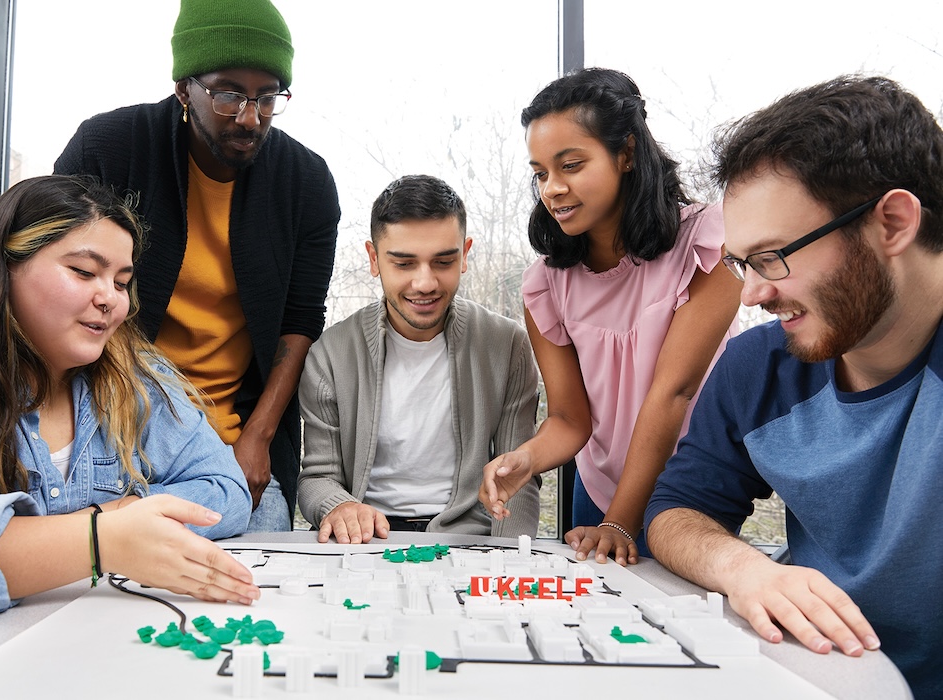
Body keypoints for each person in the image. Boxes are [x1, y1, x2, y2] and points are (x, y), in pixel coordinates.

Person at [0, 175, 260, 624]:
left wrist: (115, 518)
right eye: (83, 272)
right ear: (4, 266)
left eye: (122, 282)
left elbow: (226, 489)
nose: (110, 300)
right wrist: (99, 539)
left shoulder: (134, 377)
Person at [645, 75, 943, 699]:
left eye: (774, 256)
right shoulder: (759, 367)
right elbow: (675, 511)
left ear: (892, 222)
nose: (753, 294)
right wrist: (741, 568)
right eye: (742, 263)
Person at [54, 0, 340, 532]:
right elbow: (50, 280)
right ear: (185, 88)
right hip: (108, 438)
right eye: (228, 94)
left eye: (268, 96)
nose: (250, 117)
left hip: (232, 449)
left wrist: (256, 440)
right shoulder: (108, 149)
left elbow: (301, 320)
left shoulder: (305, 182)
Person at [479, 68, 742, 564]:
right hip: (598, 492)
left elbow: (675, 392)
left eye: (571, 165)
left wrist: (621, 521)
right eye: (540, 173)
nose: (552, 188)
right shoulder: (546, 282)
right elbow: (569, 419)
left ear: (625, 153)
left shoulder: (705, 243)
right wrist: (525, 460)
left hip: (688, 489)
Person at [298, 175, 540, 543]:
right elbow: (318, 478)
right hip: (365, 540)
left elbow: (516, 478)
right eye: (404, 264)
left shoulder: (507, 345)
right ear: (374, 259)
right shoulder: (330, 354)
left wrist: (508, 565)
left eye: (443, 261)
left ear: (465, 255)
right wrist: (338, 506)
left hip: (467, 540)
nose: (425, 283)